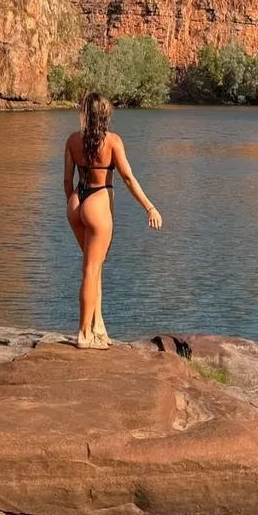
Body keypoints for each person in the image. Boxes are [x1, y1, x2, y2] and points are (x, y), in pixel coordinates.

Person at [63, 91, 162, 348]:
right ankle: (84, 335)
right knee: (92, 269)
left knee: (93, 267)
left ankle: (98, 327)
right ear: (106, 116)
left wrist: (73, 206)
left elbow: (66, 181)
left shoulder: (73, 140)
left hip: (77, 201)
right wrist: (149, 207)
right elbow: (128, 178)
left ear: (85, 114)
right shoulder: (113, 141)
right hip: (97, 203)